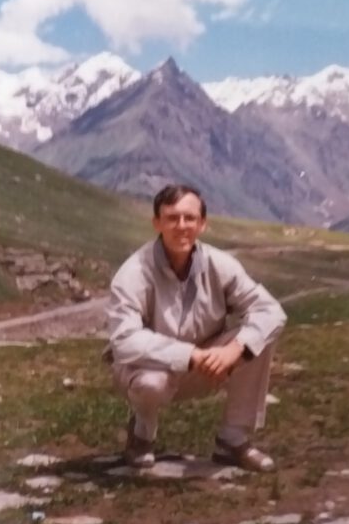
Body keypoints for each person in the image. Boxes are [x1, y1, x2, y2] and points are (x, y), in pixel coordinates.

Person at [104, 184, 286, 472]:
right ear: (156, 223)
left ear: (202, 224)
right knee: (151, 383)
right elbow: (124, 340)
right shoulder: (134, 272)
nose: (181, 226)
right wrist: (190, 355)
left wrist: (235, 348)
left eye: (189, 218)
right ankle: (142, 432)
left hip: (206, 366)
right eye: (172, 218)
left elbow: (271, 311)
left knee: (257, 337)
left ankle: (232, 440)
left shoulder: (220, 264)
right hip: (149, 370)